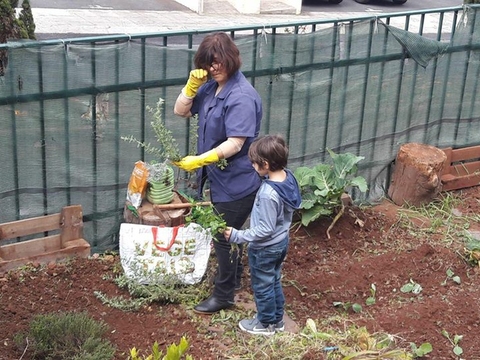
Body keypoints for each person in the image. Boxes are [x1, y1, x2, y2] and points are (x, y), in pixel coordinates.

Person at [173, 32, 263, 314]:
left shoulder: (242, 96)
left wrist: (200, 160)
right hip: (219, 178)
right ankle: (234, 280)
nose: (214, 68)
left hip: (238, 182)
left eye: (219, 62)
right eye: (209, 63)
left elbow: (236, 143)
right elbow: (180, 111)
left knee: (222, 236)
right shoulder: (211, 88)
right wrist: (190, 88)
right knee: (229, 234)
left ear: (232, 59)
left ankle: (223, 295)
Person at [224, 134, 302, 336]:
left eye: (254, 162)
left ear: (265, 164)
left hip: (266, 248)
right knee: (273, 280)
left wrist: (236, 235)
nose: (252, 165)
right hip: (281, 241)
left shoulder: (268, 193)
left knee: (262, 286)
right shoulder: (288, 178)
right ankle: (277, 320)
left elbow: (264, 230)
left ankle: (265, 324)